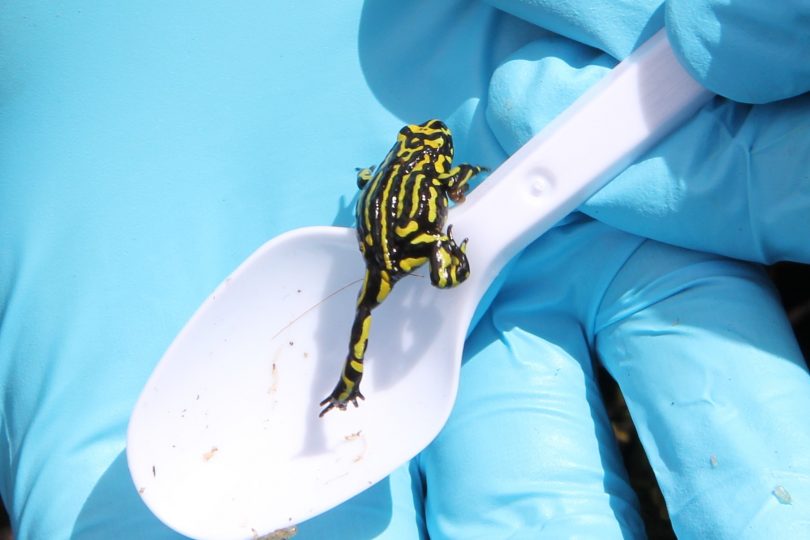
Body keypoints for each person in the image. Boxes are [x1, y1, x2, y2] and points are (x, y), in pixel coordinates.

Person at [1, 1, 808, 538]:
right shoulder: (426, 173)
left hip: (398, 247)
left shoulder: (419, 174)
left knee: (364, 323)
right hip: (389, 248)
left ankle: (353, 381)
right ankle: (353, 382)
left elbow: (409, 181)